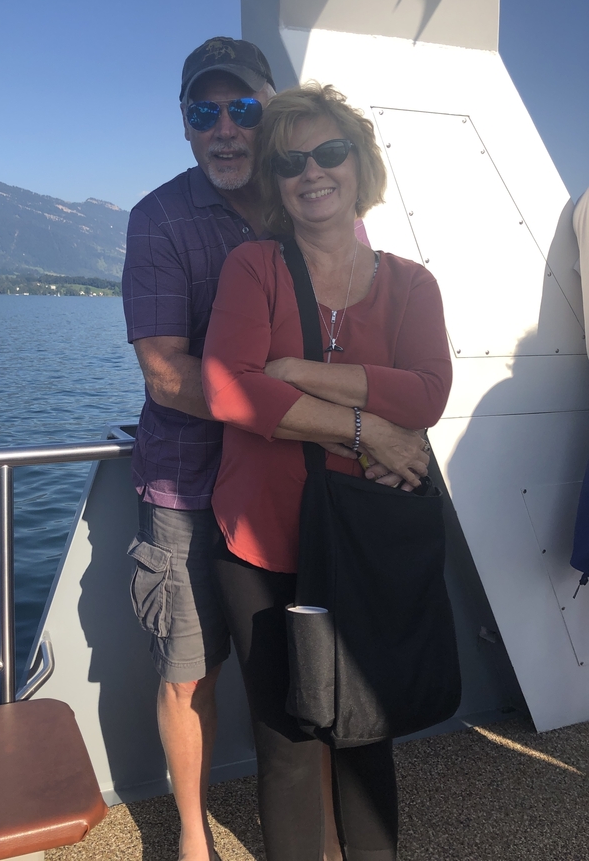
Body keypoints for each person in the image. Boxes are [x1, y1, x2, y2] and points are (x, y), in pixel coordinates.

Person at [202, 82, 452, 861]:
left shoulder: (412, 283)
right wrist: (369, 427)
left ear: (360, 164)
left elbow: (432, 391)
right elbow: (225, 385)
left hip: (362, 540)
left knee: (364, 730)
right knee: (286, 741)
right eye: (289, 161)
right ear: (274, 183)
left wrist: (293, 369)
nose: (312, 172)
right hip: (262, 542)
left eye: (330, 152)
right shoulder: (254, 266)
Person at [121, 36, 276, 861]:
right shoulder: (159, 219)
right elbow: (162, 375)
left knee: (295, 664)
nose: (223, 128)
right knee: (189, 671)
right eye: (202, 111)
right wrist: (291, 411)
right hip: (185, 490)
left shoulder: (308, 203)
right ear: (185, 126)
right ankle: (189, 838)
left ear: (268, 114)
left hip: (282, 486)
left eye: (241, 107)